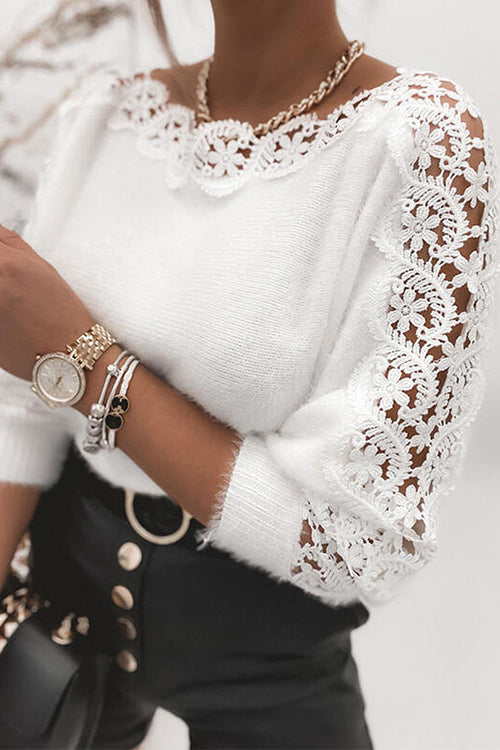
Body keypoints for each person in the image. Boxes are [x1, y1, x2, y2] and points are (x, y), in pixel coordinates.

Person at [0, 1, 498, 748]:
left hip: (267, 663)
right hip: (57, 631)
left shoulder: (419, 142)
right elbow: (21, 410)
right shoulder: (108, 116)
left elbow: (356, 539)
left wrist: (84, 361)